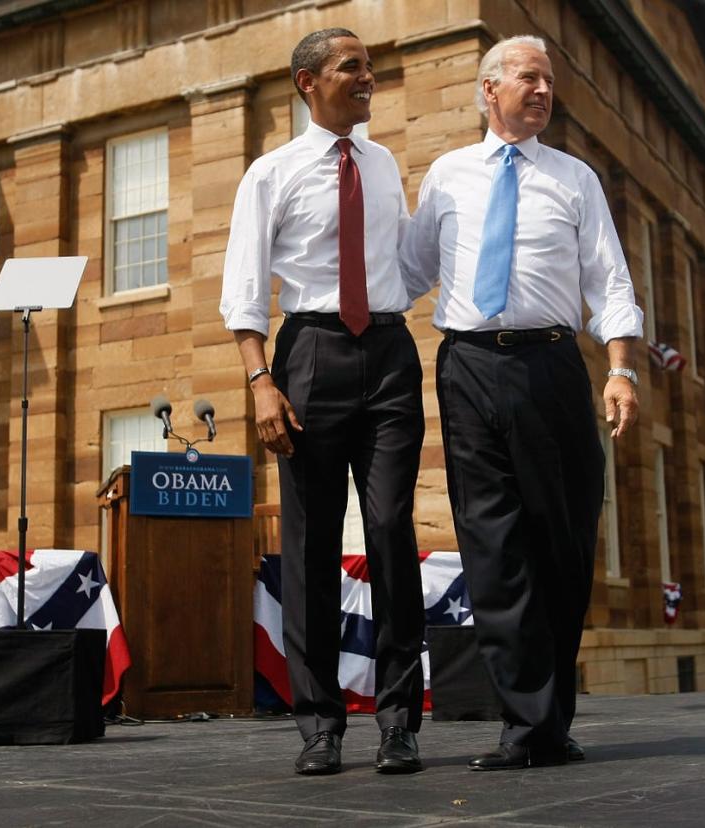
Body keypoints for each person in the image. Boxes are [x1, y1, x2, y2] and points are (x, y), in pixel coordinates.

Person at [400, 35, 643, 771]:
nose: (543, 91)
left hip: (552, 367)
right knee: (494, 547)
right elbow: (409, 270)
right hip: (468, 366)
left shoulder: (575, 179)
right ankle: (527, 725)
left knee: (562, 544)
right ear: (489, 89)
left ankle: (550, 717)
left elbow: (611, 278)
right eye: (530, 79)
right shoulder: (445, 176)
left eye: (549, 82)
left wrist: (622, 368)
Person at [220, 28, 425, 776]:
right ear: (308, 82)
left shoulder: (384, 163)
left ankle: (400, 721)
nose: (368, 78)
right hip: (308, 356)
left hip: (391, 355)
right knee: (310, 544)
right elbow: (242, 288)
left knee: (392, 530)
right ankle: (320, 724)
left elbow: (401, 261)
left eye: (369, 67)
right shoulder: (270, 174)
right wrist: (259, 381)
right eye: (352, 68)